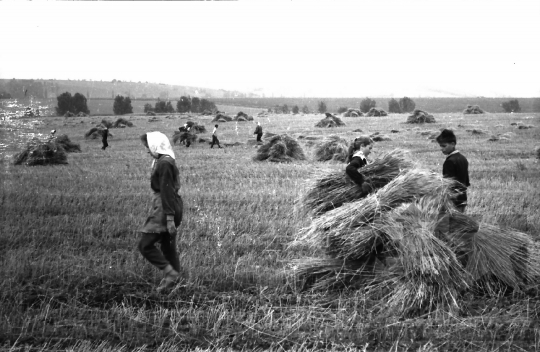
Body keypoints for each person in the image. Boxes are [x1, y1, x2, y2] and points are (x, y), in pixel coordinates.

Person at [138, 132, 183, 292]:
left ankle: (170, 274)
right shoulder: (166, 160)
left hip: (165, 207)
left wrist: (169, 218)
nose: (147, 150)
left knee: (145, 245)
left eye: (147, 147)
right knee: (168, 247)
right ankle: (175, 283)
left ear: (155, 145)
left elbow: (166, 190)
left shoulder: (164, 163)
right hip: (172, 204)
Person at [435, 129, 470, 213]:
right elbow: (467, 182)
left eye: (444, 146)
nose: (442, 149)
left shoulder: (449, 162)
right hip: (462, 198)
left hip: (452, 201)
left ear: (453, 144)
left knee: (447, 224)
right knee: (459, 224)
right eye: (440, 146)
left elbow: (447, 184)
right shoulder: (463, 158)